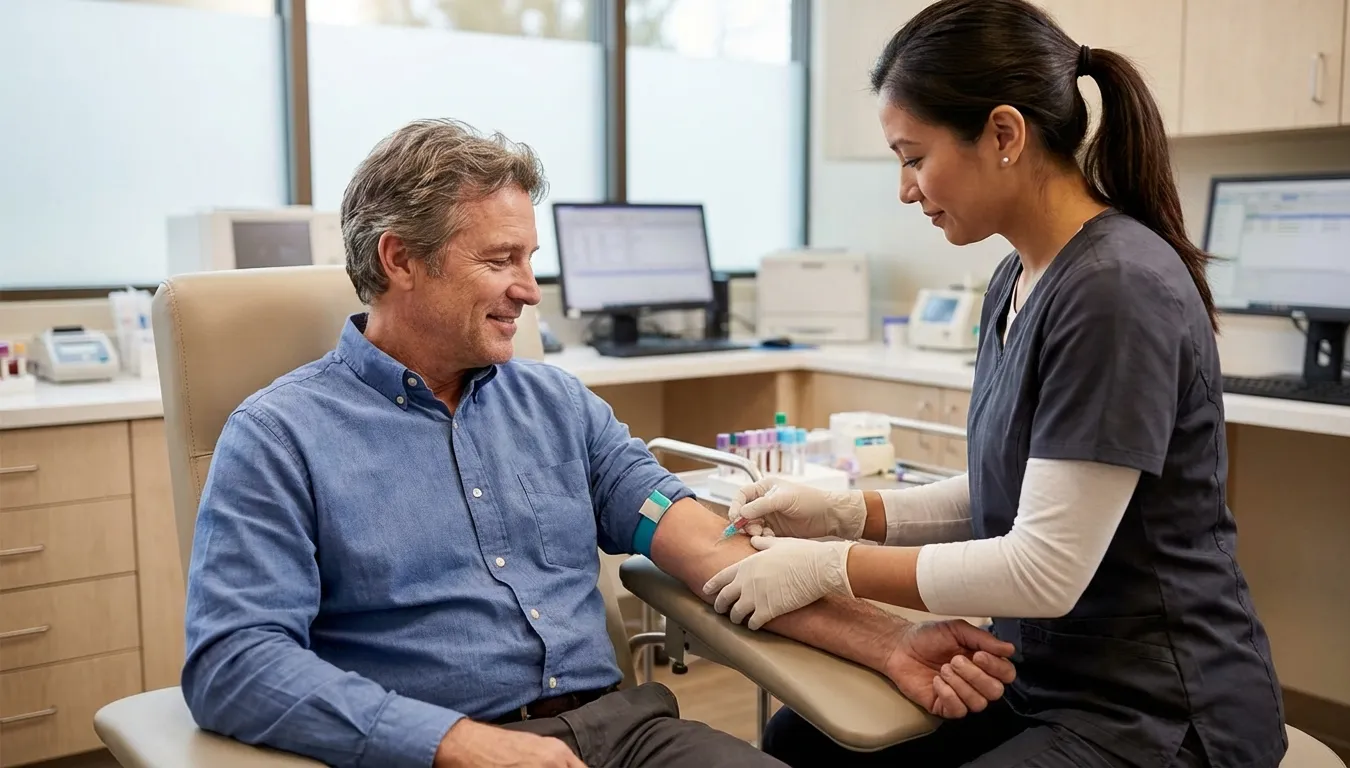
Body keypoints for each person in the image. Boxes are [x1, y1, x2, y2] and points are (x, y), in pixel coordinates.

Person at [180, 118, 1020, 768]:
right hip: (442, 750)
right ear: (400, 259)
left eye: (530, 258)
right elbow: (234, 663)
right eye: (501, 260)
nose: (529, 291)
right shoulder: (279, 438)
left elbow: (707, 548)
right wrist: (457, 745)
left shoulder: (558, 406)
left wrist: (891, 639)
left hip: (623, 736)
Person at [701, 1, 1288, 766]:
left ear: (1004, 135)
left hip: (1157, 706)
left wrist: (826, 565)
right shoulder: (1018, 276)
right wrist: (847, 512)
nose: (906, 189)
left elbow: (1041, 567)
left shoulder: (1116, 288)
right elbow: (1009, 491)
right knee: (800, 741)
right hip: (1041, 674)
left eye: (914, 157)